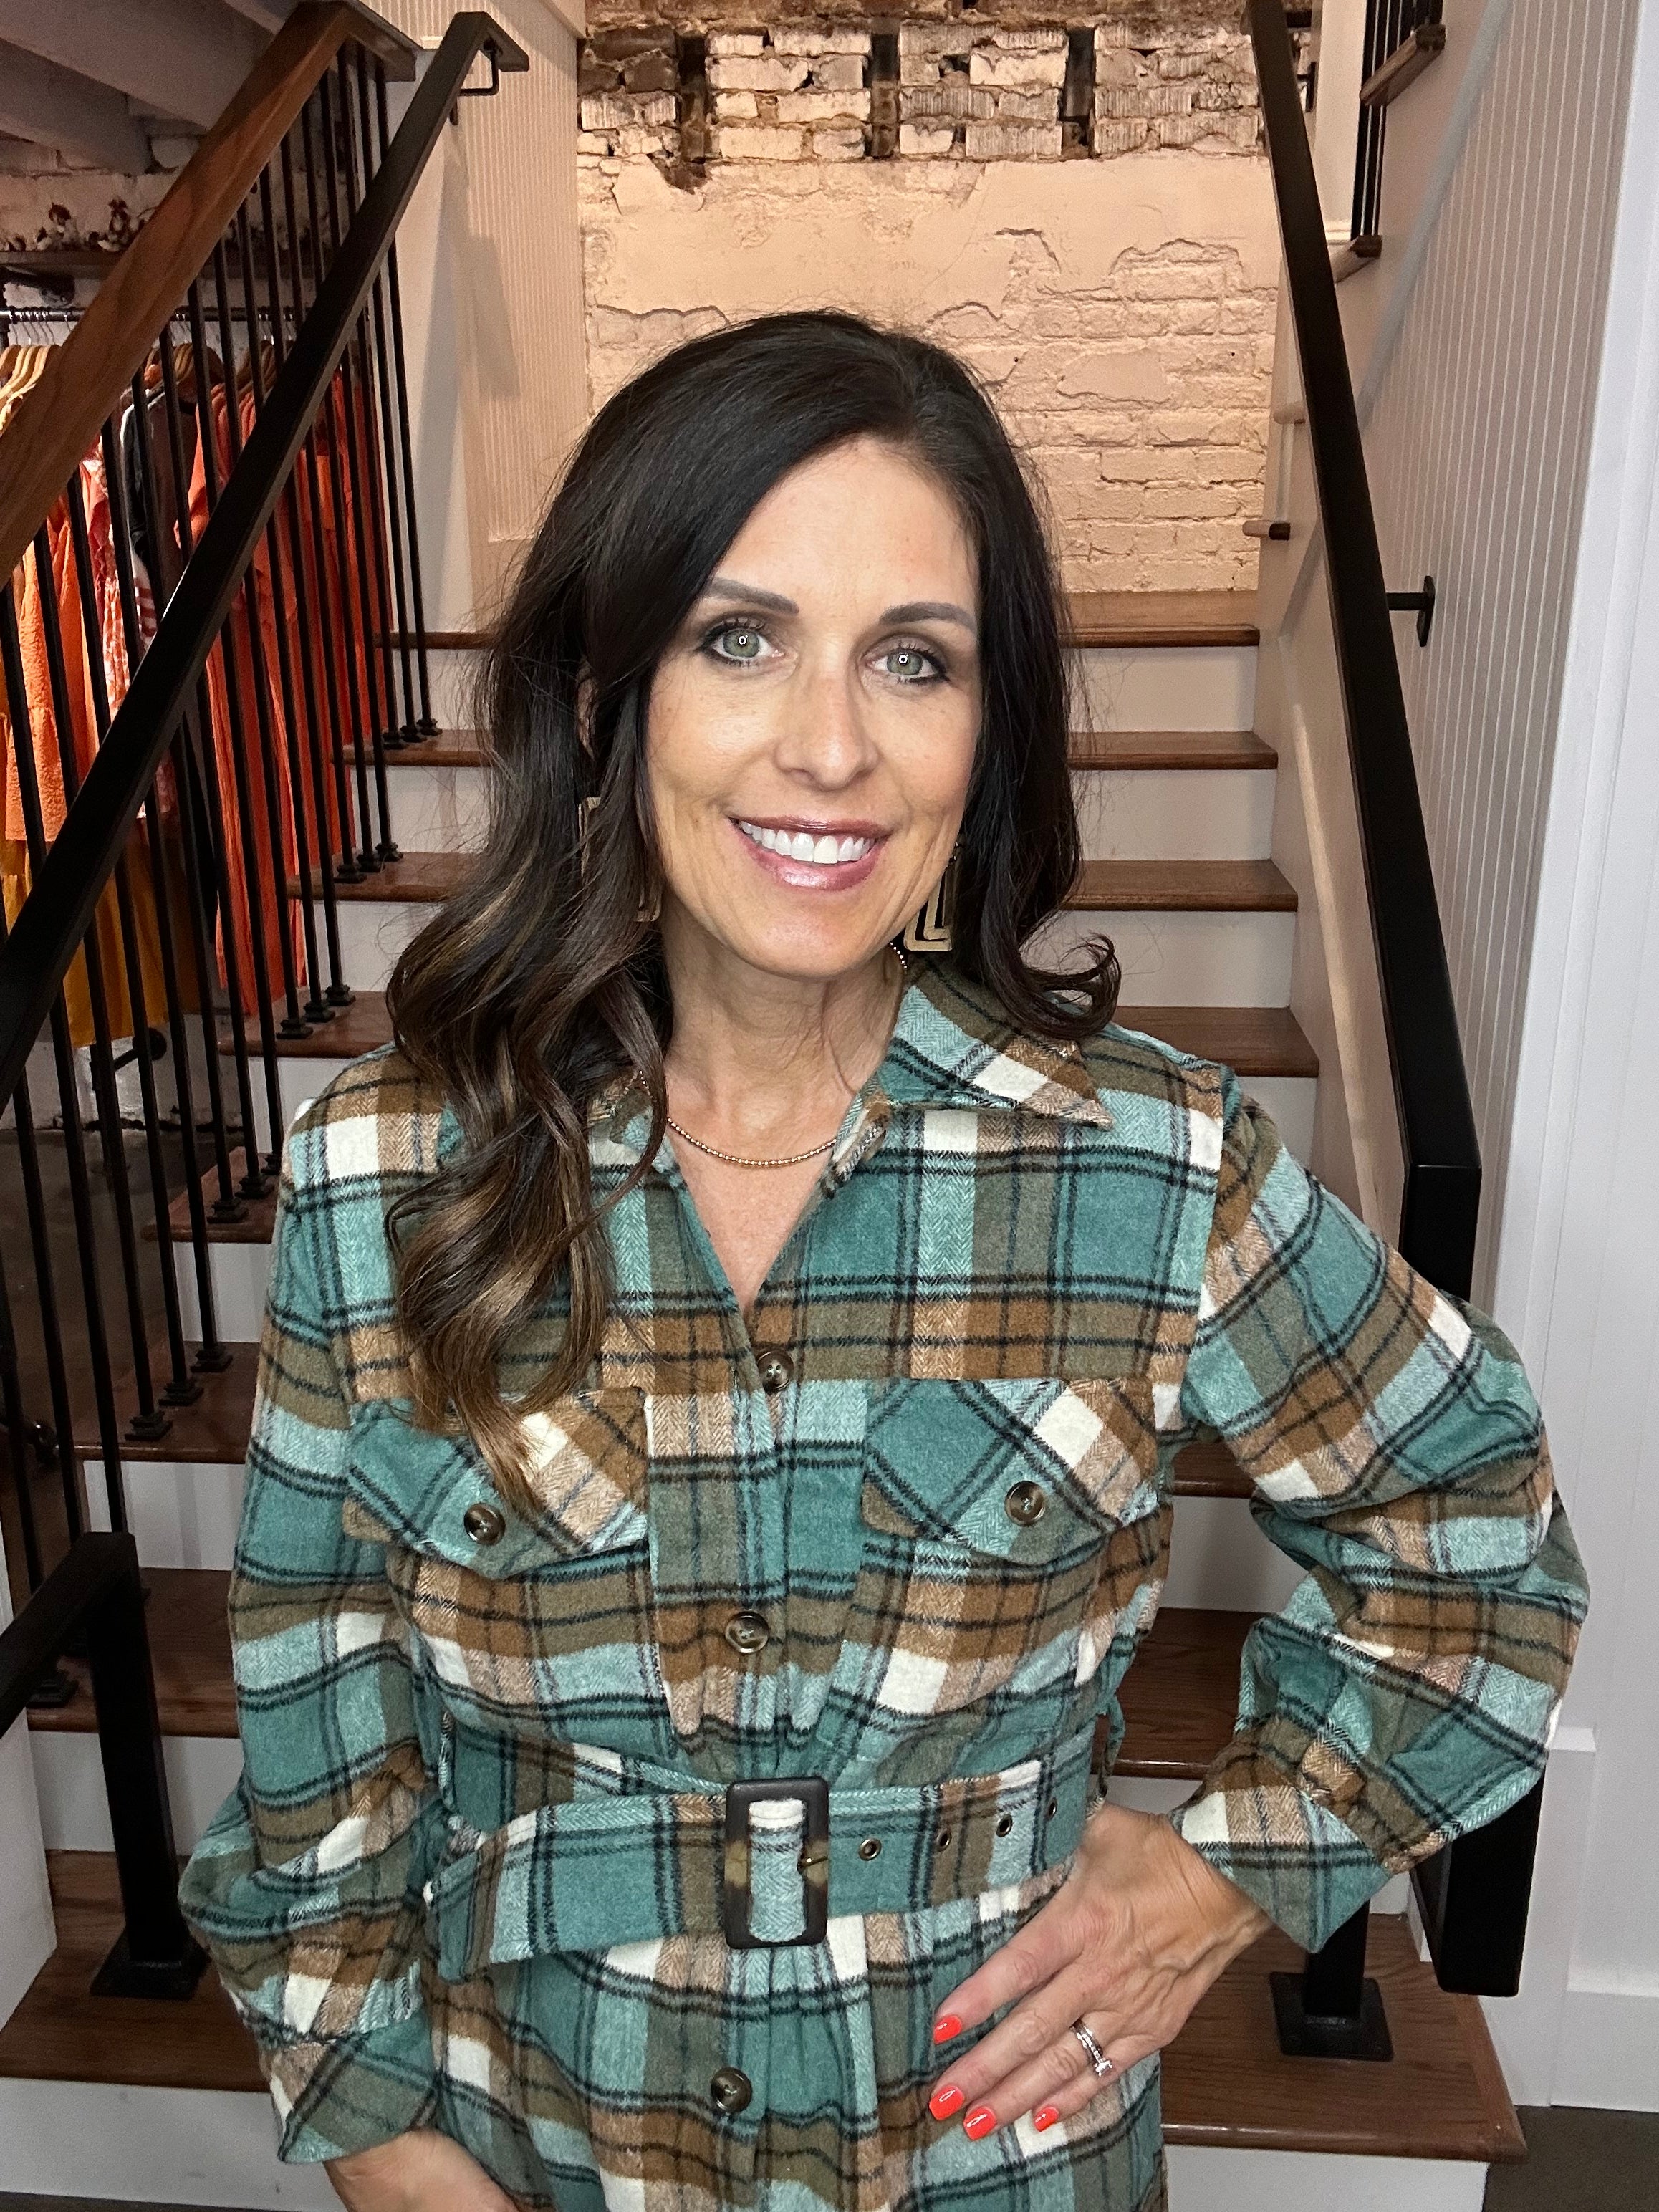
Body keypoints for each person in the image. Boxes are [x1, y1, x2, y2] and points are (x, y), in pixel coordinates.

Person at [178, 309, 1588, 2212]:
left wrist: (1228, 1872)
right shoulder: (388, 1172)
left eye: (912, 660)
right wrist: (389, 2150)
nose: (830, 746)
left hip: (991, 2161)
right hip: (535, 2148)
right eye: (737, 638)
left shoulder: (1147, 1166)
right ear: (604, 699)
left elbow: (1477, 1536)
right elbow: (313, 1716)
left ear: (983, 734)